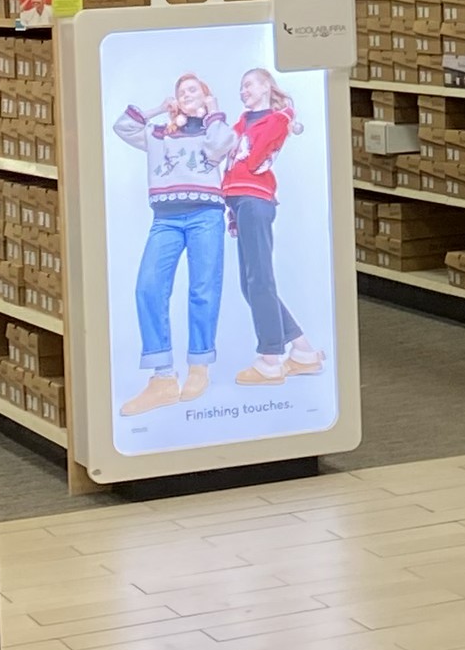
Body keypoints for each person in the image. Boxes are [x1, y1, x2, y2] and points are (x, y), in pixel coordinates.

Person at [112, 68, 231, 412]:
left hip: (206, 215)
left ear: (206, 95)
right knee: (148, 287)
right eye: (181, 91)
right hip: (165, 218)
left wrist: (213, 111)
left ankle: (199, 367)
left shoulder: (214, 129)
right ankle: (163, 377)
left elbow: (221, 146)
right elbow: (122, 126)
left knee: (203, 288)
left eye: (193, 89)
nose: (186, 94)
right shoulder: (159, 134)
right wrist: (156, 109)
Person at [222, 67, 322, 384]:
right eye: (241, 87)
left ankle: (269, 359)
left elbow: (253, 161)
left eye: (249, 84)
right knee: (250, 283)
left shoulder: (275, 121)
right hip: (241, 203)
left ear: (267, 87)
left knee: (260, 280)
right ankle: (303, 352)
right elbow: (223, 154)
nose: (243, 91)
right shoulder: (242, 123)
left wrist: (284, 116)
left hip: (255, 200)